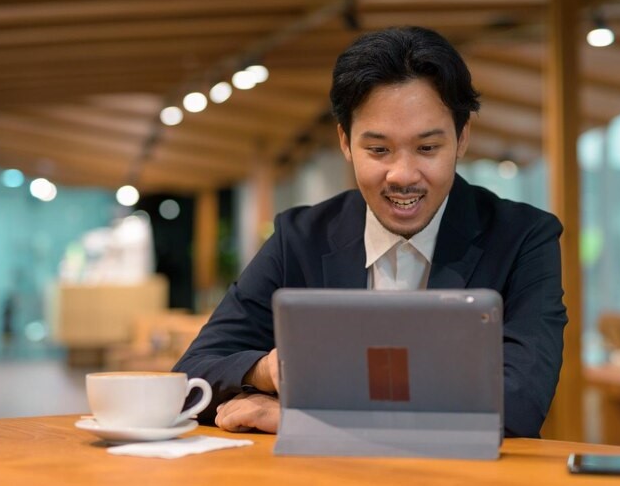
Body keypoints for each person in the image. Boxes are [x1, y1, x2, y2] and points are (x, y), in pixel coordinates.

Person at [173, 26, 567, 438]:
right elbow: (191, 378)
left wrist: (313, 420)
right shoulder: (300, 238)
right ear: (345, 141)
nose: (403, 175)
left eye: (428, 148)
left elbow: (519, 403)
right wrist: (271, 370)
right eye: (378, 150)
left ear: (462, 138)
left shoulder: (523, 237)